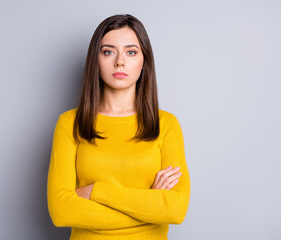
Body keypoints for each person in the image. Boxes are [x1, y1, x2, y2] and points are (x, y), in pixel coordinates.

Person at [47, 14, 191, 240]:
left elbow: (175, 209)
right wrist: (149, 205)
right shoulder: (69, 123)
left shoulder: (166, 125)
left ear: (145, 61)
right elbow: (61, 211)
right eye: (108, 51)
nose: (119, 61)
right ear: (95, 59)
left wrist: (96, 192)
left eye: (131, 52)